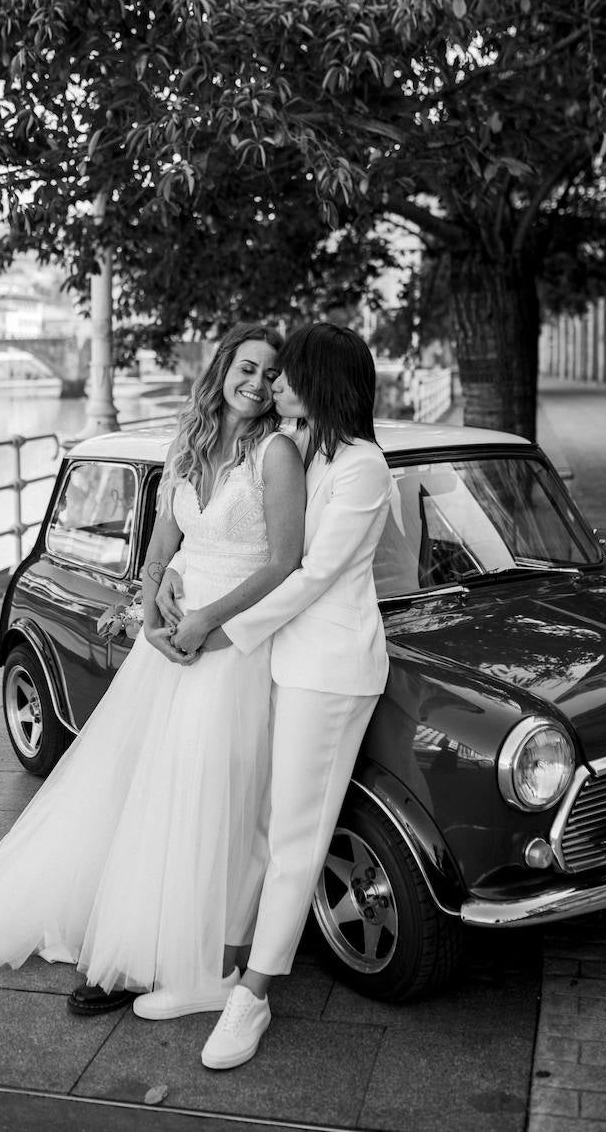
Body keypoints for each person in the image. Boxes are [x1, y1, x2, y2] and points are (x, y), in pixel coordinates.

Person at [0, 323, 307, 1022]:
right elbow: (166, 536)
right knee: (148, 784)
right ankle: (130, 928)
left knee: (212, 793)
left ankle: (177, 951)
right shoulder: (190, 444)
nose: (255, 384)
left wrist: (206, 621)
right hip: (170, 638)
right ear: (222, 368)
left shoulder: (277, 453)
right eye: (246, 368)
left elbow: (283, 561)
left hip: (235, 646)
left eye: (269, 373)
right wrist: (156, 593)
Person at [158, 323, 391, 1068]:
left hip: (328, 668)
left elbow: (314, 572)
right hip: (280, 660)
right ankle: (224, 971)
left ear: (322, 380)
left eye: (288, 374)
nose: (273, 385)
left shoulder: (361, 466)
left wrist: (221, 631)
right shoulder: (301, 449)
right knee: (258, 822)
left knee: (295, 837)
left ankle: (252, 998)